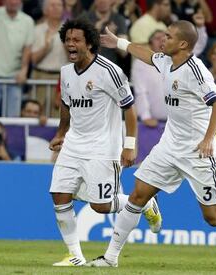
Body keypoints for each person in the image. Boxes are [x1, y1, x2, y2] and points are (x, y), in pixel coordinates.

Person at [87, 20, 216, 268]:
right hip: (169, 147)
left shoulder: (196, 71)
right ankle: (110, 258)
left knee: (214, 218)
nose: (163, 40)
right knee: (137, 195)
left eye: (169, 37)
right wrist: (119, 42)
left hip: (198, 153)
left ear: (183, 44)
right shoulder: (166, 61)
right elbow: (148, 56)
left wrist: (207, 140)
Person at [48, 18, 161, 267]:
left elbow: (129, 109)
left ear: (89, 43)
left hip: (102, 147)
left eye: (76, 40)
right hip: (74, 144)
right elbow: (66, 105)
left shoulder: (109, 71)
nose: (71, 44)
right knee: (59, 195)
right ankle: (75, 256)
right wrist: (61, 133)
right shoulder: (66, 72)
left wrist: (129, 144)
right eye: (67, 40)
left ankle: (145, 203)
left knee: (101, 206)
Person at [0, 0, 34, 117]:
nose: (13, 2)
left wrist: (24, 71)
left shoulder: (27, 21)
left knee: (13, 122)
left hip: (14, 78)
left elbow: (27, 49)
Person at [31, 0, 67, 118]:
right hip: (40, 76)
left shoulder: (70, 31)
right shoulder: (37, 30)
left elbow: (76, 59)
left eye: (59, 5)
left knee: (59, 116)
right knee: (37, 114)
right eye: (52, 5)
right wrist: (45, 48)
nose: (56, 8)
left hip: (63, 79)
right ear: (45, 10)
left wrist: (66, 45)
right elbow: (33, 59)